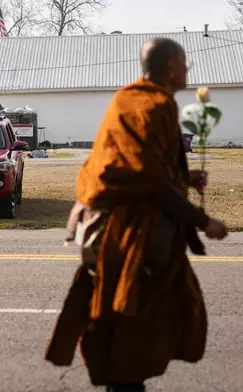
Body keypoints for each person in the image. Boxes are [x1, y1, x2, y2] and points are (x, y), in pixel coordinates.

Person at [44, 37, 229, 392]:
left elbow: (133, 166)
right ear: (172, 68)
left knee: (124, 324)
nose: (188, 70)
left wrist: (183, 177)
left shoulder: (125, 98)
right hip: (132, 239)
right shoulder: (159, 105)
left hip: (110, 228)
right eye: (185, 63)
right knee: (135, 328)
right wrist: (204, 222)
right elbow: (150, 183)